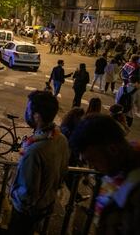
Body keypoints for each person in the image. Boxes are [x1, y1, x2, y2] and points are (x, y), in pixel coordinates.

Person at [9, 91, 69, 235]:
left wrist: (12, 193)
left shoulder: (34, 151)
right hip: (46, 203)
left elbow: (27, 193)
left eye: (28, 109)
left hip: (25, 212)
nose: (26, 112)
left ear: (37, 116)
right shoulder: (60, 139)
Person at [69, 114, 140, 235]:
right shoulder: (120, 169)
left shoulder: (135, 192)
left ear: (113, 149)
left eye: (93, 160)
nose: (92, 167)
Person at [60, 107, 90, 203]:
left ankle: (76, 197)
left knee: (69, 178)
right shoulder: (67, 129)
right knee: (69, 178)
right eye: (80, 118)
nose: (81, 120)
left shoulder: (71, 127)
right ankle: (76, 197)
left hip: (70, 157)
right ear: (75, 117)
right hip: (67, 157)